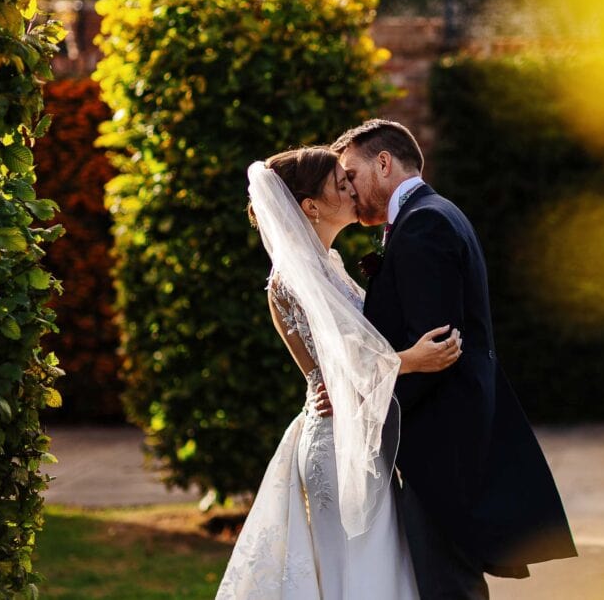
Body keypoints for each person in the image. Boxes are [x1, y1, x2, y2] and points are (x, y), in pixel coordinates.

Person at [333, 119, 578, 599]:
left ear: (384, 163)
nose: (350, 189)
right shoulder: (433, 213)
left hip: (437, 442)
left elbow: (438, 349)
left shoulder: (424, 223)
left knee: (447, 583)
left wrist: (370, 405)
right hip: (447, 432)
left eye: (352, 174)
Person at [217, 146, 462, 599]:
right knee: (355, 573)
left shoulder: (329, 265)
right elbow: (340, 362)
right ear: (311, 206)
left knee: (373, 569)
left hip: (355, 435)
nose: (353, 188)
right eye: (340, 183)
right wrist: (411, 359)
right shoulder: (291, 278)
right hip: (336, 443)